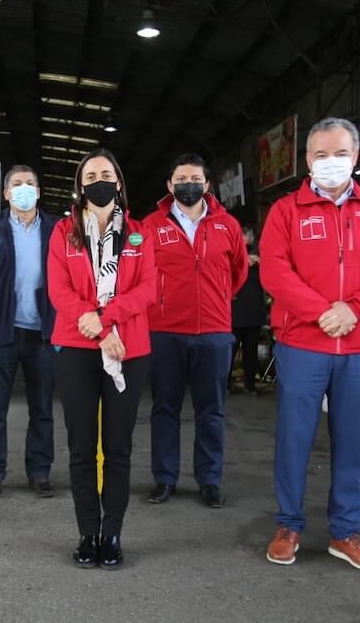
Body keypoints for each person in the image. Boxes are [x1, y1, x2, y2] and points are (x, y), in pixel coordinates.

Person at [259, 117, 360, 573]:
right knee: (294, 438)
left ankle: (345, 533)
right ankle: (288, 526)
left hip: (359, 345)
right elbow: (274, 271)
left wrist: (355, 308)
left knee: (351, 442)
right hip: (303, 343)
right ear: (307, 160)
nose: (330, 162)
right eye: (321, 155)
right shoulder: (287, 211)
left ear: (356, 157)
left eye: (340, 154)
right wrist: (321, 311)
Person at [47, 148, 156, 570]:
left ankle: (112, 534)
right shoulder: (64, 232)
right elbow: (59, 290)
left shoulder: (139, 234)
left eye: (106, 173)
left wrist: (106, 321)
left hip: (127, 348)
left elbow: (146, 289)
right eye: (90, 174)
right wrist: (90, 323)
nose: (99, 179)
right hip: (76, 347)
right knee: (79, 448)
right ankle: (87, 532)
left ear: (119, 182)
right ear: (80, 185)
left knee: (118, 447)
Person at [142, 154, 248, 509]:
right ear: (169, 186)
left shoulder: (227, 225)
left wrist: (215, 301)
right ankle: (164, 479)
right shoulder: (150, 226)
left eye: (195, 178)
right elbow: (138, 274)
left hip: (214, 332)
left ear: (206, 185)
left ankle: (209, 479)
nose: (188, 184)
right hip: (164, 332)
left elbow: (238, 272)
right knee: (165, 409)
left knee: (211, 410)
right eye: (181, 178)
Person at [0, 165, 58, 498]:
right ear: (6, 194)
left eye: (30, 184)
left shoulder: (57, 230)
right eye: (16, 184)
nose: (24, 189)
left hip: (44, 335)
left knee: (43, 409)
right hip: (0, 334)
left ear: (38, 190)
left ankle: (39, 471)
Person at [230, 225, 267, 394]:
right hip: (235, 310)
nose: (245, 240)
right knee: (230, 349)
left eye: (247, 236)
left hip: (253, 311)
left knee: (250, 351)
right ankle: (226, 383)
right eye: (242, 236)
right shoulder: (232, 254)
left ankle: (250, 384)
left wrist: (259, 260)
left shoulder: (261, 256)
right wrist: (243, 259)